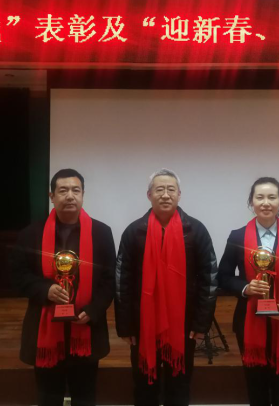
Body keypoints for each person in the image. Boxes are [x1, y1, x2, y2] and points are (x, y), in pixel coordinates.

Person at [10, 168, 116, 406]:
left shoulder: (101, 233)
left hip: (86, 327)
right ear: (52, 196)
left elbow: (109, 279)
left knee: (85, 396)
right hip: (44, 327)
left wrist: (94, 309)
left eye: (76, 190)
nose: (70, 196)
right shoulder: (31, 234)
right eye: (63, 190)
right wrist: (44, 290)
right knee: (48, 396)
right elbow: (18, 276)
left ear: (83, 194)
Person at [115, 168, 218, 406]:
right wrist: (125, 325)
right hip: (143, 322)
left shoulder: (196, 230)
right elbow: (122, 281)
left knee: (179, 384)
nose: (165, 194)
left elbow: (209, 279)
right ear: (149, 195)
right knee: (144, 384)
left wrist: (201, 324)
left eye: (171, 189)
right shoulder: (134, 231)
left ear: (179, 195)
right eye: (159, 189)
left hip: (183, 323)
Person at [218, 177, 279, 406]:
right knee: (256, 386)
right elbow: (223, 276)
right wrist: (245, 288)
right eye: (259, 197)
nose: (266, 202)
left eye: (272, 197)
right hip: (249, 320)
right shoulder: (237, 236)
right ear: (251, 202)